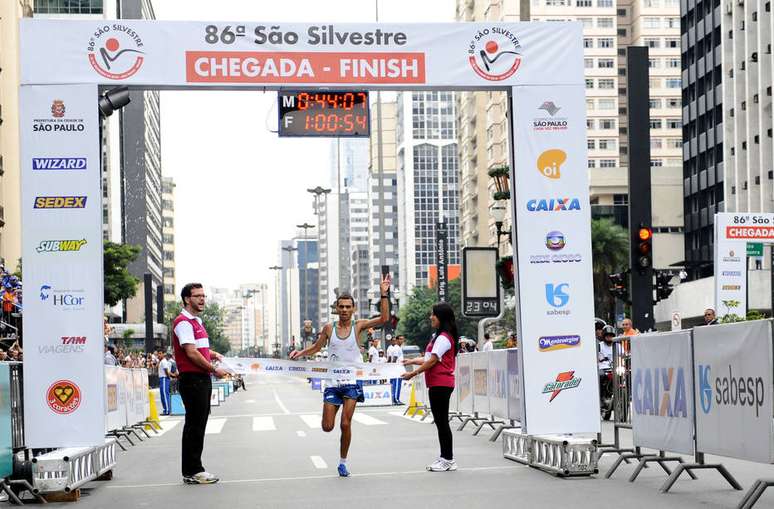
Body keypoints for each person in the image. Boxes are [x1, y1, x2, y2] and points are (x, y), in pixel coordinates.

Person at [289, 275, 391, 477]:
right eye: (341, 307)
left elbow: (384, 319)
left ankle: (343, 462)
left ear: (353, 309)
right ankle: (336, 438)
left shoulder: (359, 326)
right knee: (327, 427)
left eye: (347, 307)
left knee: (346, 423)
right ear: (336, 309)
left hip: (351, 383)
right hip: (332, 383)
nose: (344, 310)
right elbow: (316, 348)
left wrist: (384, 294)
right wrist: (299, 353)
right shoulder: (329, 328)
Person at [172, 283, 228, 485]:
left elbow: (200, 349)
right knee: (195, 426)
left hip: (201, 379)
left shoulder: (197, 322)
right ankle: (193, 470)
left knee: (198, 424)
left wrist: (214, 354)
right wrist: (214, 369)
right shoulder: (184, 322)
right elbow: (190, 352)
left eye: (204, 295)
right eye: (197, 296)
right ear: (187, 299)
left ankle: (192, 469)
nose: (202, 299)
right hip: (193, 380)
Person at [401, 302, 458, 472]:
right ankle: (445, 457)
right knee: (440, 422)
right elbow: (429, 359)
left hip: (441, 383)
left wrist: (413, 373)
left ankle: (448, 459)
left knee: (442, 423)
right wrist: (411, 361)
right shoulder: (439, 337)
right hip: (437, 384)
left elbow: (432, 361)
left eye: (433, 314)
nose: (430, 317)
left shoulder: (443, 338)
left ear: (441, 317)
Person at [158, 351, 175, 416]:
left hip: (164, 378)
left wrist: (168, 377)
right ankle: (166, 409)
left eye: (160, 353)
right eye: (158, 354)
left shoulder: (164, 361)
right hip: (162, 378)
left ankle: (167, 410)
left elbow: (166, 370)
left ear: (163, 354)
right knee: (163, 395)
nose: (158, 355)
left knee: (165, 394)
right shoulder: (162, 361)